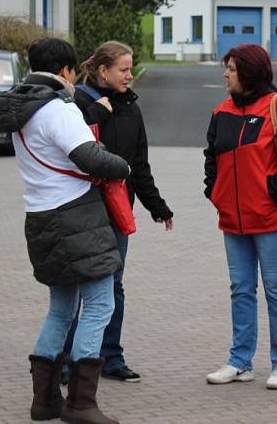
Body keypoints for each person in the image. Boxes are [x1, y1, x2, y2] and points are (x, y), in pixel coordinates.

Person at [0, 38, 128, 424]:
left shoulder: (21, 108)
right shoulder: (58, 108)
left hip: (39, 216)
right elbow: (88, 156)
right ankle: (81, 404)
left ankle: (45, 402)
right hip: (75, 217)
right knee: (100, 303)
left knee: (61, 309)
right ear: (66, 71)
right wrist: (122, 166)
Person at [60, 41, 174, 384]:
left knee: (114, 285)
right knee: (82, 287)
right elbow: (67, 150)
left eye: (130, 68)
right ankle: (66, 360)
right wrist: (96, 113)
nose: (129, 75)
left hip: (118, 209)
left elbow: (138, 164)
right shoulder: (77, 104)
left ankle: (110, 357)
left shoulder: (131, 108)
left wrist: (157, 206)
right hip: (83, 210)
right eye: (123, 69)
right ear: (102, 71)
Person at [203, 44, 277, 390]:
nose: (226, 74)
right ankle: (240, 361)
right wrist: (214, 191)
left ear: (249, 73)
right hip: (232, 220)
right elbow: (212, 156)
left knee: (276, 290)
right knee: (241, 289)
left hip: (270, 220)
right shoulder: (221, 110)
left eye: (232, 69)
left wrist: (271, 192)